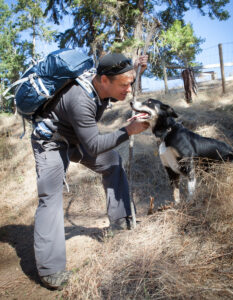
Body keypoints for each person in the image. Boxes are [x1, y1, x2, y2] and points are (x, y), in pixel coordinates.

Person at [31, 52, 149, 290]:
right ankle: (51, 270)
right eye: (125, 84)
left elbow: (122, 84)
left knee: (112, 162)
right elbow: (93, 145)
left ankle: (121, 221)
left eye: (131, 83)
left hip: (75, 139)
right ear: (104, 80)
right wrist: (128, 131)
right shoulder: (80, 98)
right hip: (51, 142)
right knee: (50, 196)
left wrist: (138, 70)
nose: (128, 90)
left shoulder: (104, 85)